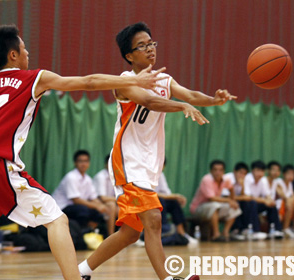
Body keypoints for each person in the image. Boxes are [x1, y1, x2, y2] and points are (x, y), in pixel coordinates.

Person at [0, 24, 166, 280]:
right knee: (57, 220)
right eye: (24, 48)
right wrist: (135, 80)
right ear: (13, 55)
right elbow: (88, 81)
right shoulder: (33, 78)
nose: (28, 53)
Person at [78, 22, 235, 280]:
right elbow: (149, 100)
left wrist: (213, 100)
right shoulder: (124, 81)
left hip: (148, 162)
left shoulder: (164, 80)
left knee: (130, 233)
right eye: (143, 46)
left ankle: (79, 272)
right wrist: (180, 106)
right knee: (153, 218)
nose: (151, 49)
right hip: (128, 160)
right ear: (129, 55)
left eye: (152, 43)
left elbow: (191, 94)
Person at [53, 150, 111, 235]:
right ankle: (79, 234)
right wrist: (97, 206)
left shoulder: (88, 179)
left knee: (97, 213)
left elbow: (93, 198)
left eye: (86, 161)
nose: (83, 164)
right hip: (62, 208)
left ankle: (89, 233)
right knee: (83, 210)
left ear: (89, 163)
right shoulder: (71, 177)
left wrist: (102, 206)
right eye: (80, 161)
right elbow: (76, 200)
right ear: (75, 163)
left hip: (76, 207)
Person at [190, 160, 242, 242]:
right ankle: (216, 235)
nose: (218, 172)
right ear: (211, 171)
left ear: (223, 171)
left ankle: (225, 233)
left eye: (220, 170)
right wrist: (229, 200)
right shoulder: (206, 179)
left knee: (234, 207)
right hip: (198, 209)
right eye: (215, 170)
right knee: (214, 205)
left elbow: (231, 189)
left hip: (215, 207)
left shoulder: (226, 179)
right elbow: (212, 198)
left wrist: (233, 201)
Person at [156, 159, 197, 244]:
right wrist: (175, 196)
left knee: (174, 203)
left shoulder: (161, 175)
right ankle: (163, 230)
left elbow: (166, 193)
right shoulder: (145, 174)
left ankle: (181, 233)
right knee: (160, 201)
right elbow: (149, 193)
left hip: (158, 200)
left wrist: (176, 197)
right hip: (145, 202)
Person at [223, 162, 267, 240]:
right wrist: (242, 198)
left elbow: (244, 195)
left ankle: (249, 230)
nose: (242, 175)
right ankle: (235, 230)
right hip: (224, 201)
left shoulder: (244, 179)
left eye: (244, 174)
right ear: (234, 171)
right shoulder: (228, 178)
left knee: (250, 203)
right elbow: (226, 196)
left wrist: (242, 186)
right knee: (237, 204)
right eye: (240, 173)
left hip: (236, 201)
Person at [244, 160, 284, 238]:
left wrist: (270, 201)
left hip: (256, 203)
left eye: (262, 171)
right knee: (253, 203)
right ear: (252, 171)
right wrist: (265, 201)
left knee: (272, 205)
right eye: (257, 170)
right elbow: (248, 197)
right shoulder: (248, 178)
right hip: (246, 205)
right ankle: (255, 231)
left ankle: (276, 230)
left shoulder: (263, 180)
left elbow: (267, 194)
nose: (260, 173)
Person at [272, 164, 294, 238]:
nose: (291, 176)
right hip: (278, 206)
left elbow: (293, 196)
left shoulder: (290, 184)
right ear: (284, 174)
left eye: (293, 174)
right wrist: (293, 199)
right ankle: (285, 228)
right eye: (289, 173)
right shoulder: (278, 181)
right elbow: (282, 195)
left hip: (286, 206)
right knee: (290, 202)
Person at [92, 154, 117, 235]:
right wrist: (122, 198)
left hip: (109, 202)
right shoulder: (101, 176)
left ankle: (128, 237)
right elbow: (103, 198)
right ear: (106, 164)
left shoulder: (116, 176)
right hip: (96, 203)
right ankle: (111, 236)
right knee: (111, 205)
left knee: (127, 207)